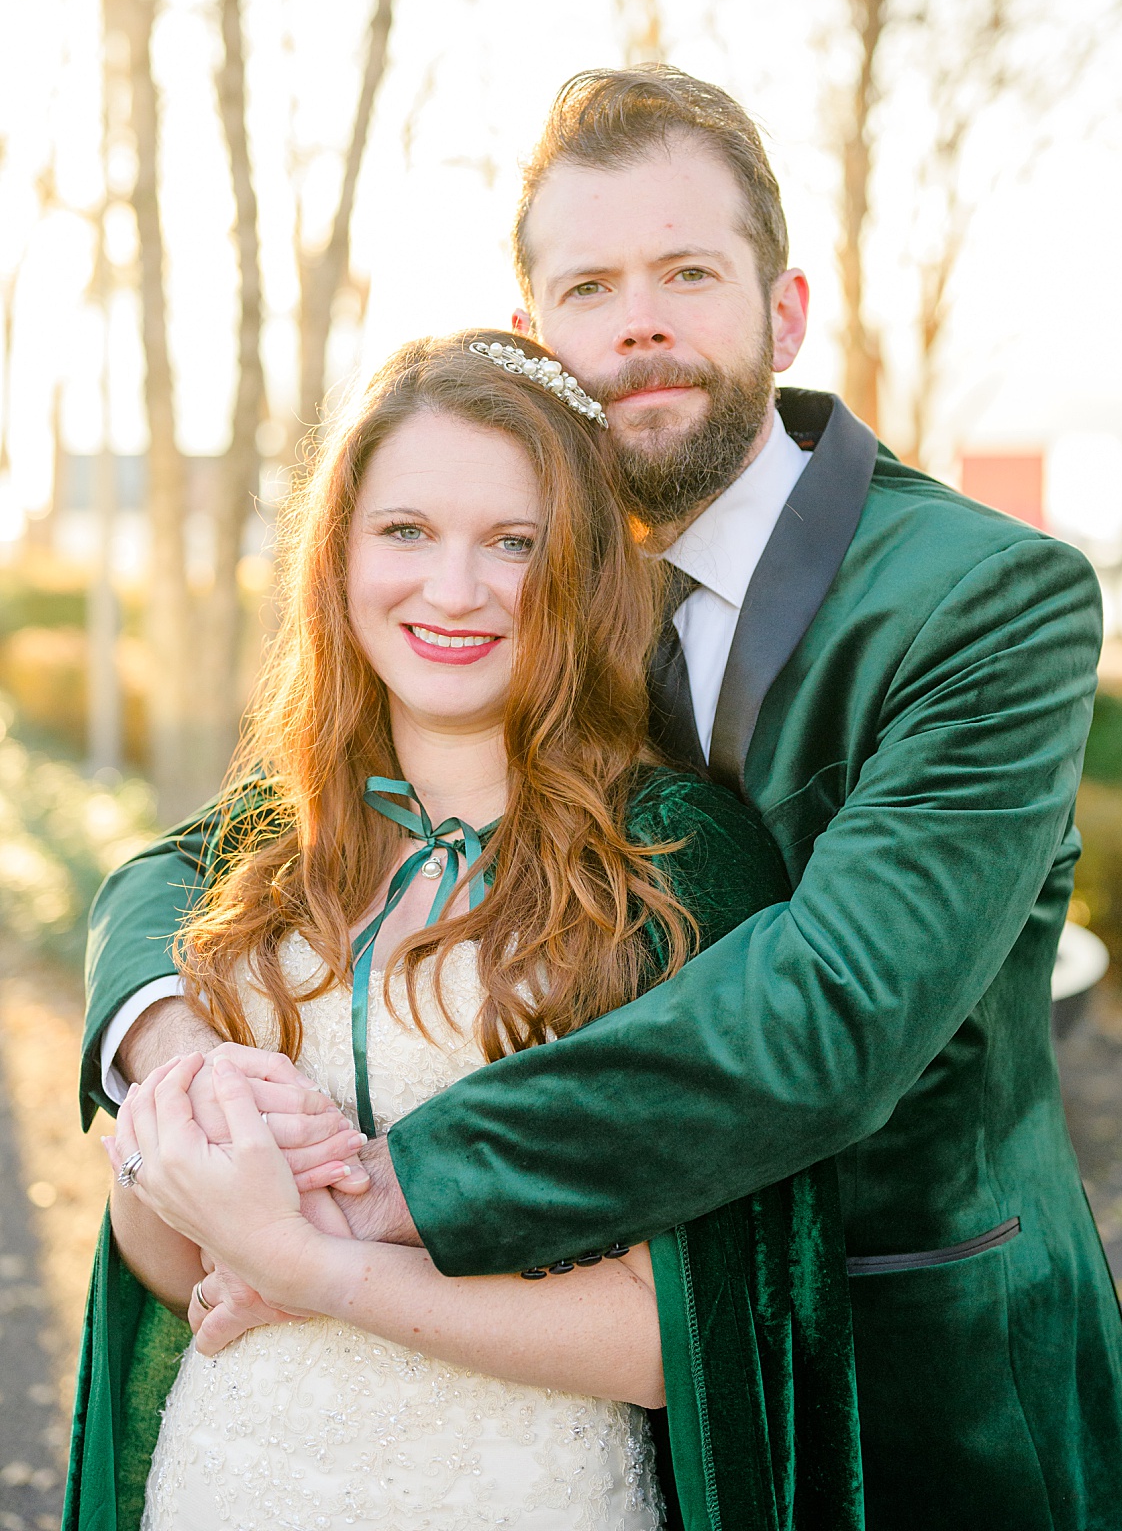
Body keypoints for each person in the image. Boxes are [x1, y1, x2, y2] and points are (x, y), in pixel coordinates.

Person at [79, 68, 1122, 1526]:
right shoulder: (527, 583)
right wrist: (166, 1037)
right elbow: (233, 846)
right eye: (591, 285)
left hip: (917, 1375)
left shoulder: (984, 600)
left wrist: (370, 1203)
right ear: (542, 340)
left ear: (783, 309)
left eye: (687, 273)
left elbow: (831, 1008)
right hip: (557, 1399)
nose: (640, 322)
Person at [65, 332, 858, 1528]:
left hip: (526, 1490)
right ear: (337, 556)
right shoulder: (260, 858)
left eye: (514, 543)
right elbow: (181, 1274)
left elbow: (676, 1337)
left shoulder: (677, 864)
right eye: (405, 531)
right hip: (232, 1480)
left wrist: (323, 1271)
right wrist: (176, 1147)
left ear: (585, 568)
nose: (452, 589)